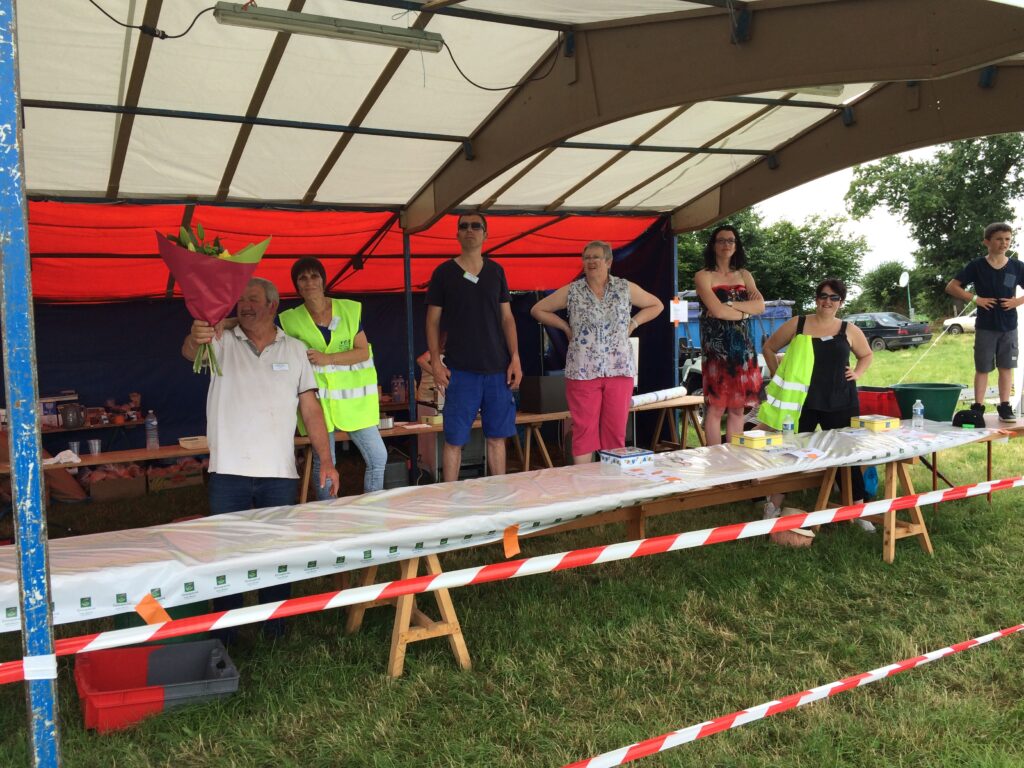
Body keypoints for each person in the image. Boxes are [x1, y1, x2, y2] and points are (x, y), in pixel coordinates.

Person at [182, 277, 339, 637]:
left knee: (277, 555)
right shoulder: (220, 340)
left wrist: (327, 461)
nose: (245, 306)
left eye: (253, 300)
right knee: (228, 556)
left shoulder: (295, 349)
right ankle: (227, 631)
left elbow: (311, 409)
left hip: (279, 472)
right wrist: (197, 334)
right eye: (240, 301)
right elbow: (190, 351)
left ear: (273, 305)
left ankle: (275, 629)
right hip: (228, 471)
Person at [530, 241, 664, 463]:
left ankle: (612, 482)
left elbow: (656, 305)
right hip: (582, 370)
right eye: (586, 258)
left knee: (615, 432)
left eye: (596, 257)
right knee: (584, 431)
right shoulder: (573, 290)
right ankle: (585, 482)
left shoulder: (624, 288)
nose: (590, 261)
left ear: (608, 262)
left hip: (619, 369)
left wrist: (633, 323)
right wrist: (565, 327)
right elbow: (538, 309)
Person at [759, 278, 875, 528]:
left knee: (848, 456)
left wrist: (857, 372)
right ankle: (773, 505)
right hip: (803, 403)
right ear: (816, 298)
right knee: (790, 454)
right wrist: (779, 374)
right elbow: (769, 348)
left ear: (841, 302)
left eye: (834, 298)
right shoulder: (798, 323)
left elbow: (866, 354)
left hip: (841, 401)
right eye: (823, 296)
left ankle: (857, 511)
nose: (827, 301)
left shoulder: (849, 329)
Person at [279, 257, 388, 495]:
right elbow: (258, 322)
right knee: (325, 463)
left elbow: (362, 352)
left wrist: (328, 358)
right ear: (296, 286)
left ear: (324, 280)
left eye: (314, 276)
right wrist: (224, 323)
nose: (309, 282)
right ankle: (327, 514)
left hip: (355, 404)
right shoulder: (289, 319)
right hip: (316, 403)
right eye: (302, 278)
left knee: (378, 456)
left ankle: (374, 507)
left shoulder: (349, 309)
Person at [426, 212, 522, 482]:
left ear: (485, 234)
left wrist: (515, 358)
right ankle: (450, 496)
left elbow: (507, 318)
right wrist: (435, 363)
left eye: (476, 226)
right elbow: (432, 321)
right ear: (457, 233)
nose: (470, 230)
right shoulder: (443, 273)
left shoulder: (496, 271)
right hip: (460, 370)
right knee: (454, 440)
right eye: (464, 226)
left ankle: (499, 495)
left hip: (497, 370)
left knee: (497, 438)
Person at [694, 225, 766, 445]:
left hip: (743, 350)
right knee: (716, 408)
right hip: (717, 350)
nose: (726, 244)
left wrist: (730, 305)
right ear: (713, 245)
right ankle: (714, 458)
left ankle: (735, 457)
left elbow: (760, 306)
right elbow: (717, 312)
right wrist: (745, 311)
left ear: (736, 245)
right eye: (721, 240)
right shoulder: (703, 276)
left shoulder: (744, 274)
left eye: (731, 240)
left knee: (737, 408)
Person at [945, 222, 1023, 423]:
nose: (1004, 243)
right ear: (987, 242)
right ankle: (978, 407)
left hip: (1009, 326)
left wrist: (1017, 302)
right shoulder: (977, 266)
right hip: (986, 326)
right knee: (983, 368)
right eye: (999, 239)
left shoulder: (1017, 266)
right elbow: (952, 286)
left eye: (1007, 239)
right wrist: (975, 299)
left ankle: (1005, 406)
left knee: (1006, 366)